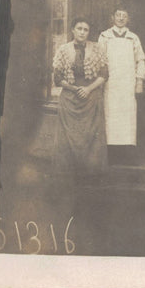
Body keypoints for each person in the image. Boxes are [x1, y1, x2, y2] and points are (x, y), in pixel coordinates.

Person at [52, 17, 108, 179]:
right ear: (73, 30)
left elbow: (104, 74)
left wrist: (88, 89)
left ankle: (90, 173)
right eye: (79, 28)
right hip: (70, 97)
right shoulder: (63, 49)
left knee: (91, 135)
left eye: (86, 30)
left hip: (91, 97)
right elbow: (58, 78)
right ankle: (67, 174)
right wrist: (75, 88)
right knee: (68, 135)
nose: (82, 32)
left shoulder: (97, 49)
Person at [98, 7, 145, 163]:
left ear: (128, 19)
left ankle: (127, 154)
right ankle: (111, 154)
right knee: (111, 116)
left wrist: (139, 81)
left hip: (127, 84)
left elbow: (140, 60)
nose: (120, 18)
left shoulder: (133, 38)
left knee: (128, 117)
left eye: (124, 16)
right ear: (113, 17)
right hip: (110, 84)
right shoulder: (105, 36)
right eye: (118, 15)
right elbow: (99, 59)